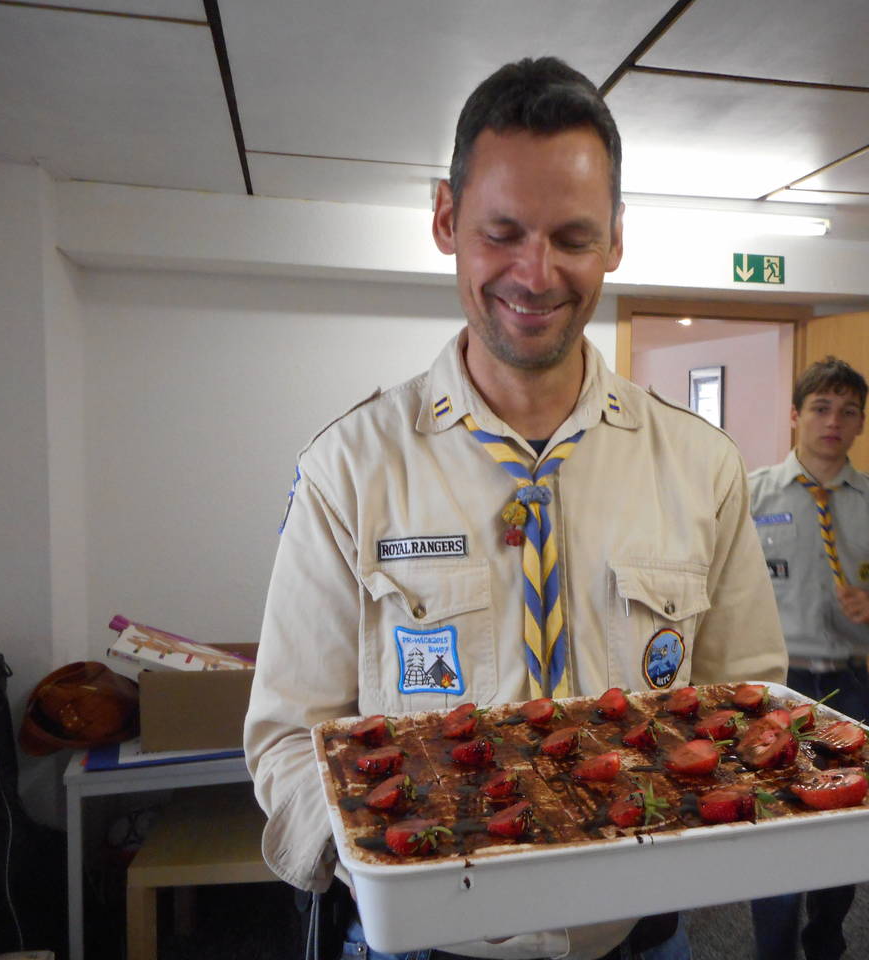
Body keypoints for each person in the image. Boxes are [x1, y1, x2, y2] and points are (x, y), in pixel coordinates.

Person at [244, 56, 787, 960]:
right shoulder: (349, 470)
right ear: (445, 220)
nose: (536, 275)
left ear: (616, 239)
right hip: (422, 945)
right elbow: (289, 740)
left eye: (573, 237)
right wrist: (393, 867)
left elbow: (747, 708)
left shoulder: (704, 467)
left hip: (640, 937)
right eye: (502, 233)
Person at [746, 356, 869, 960]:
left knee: (846, 820)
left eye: (848, 412)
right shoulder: (751, 493)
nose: (833, 422)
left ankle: (826, 937)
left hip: (847, 686)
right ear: (795, 415)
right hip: (776, 685)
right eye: (820, 408)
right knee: (774, 820)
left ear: (861, 423)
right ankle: (772, 951)